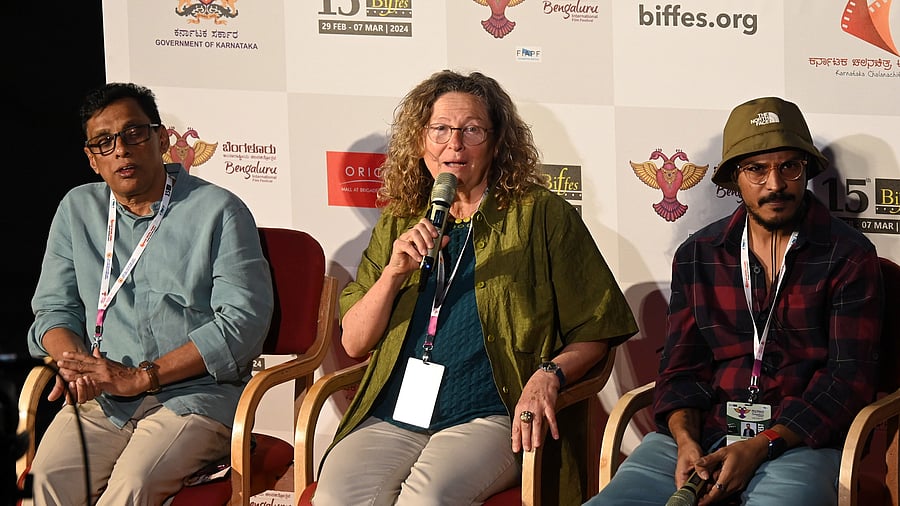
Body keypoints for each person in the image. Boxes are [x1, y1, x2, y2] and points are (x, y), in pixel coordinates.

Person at [311, 69, 638, 505]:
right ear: (420, 140)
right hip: (398, 411)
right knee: (335, 498)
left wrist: (549, 374)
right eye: (440, 130)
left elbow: (597, 328)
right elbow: (354, 341)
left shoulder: (541, 214)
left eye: (472, 130)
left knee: (428, 500)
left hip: (489, 413)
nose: (454, 145)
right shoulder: (400, 218)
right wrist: (393, 274)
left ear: (498, 142)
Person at [584, 97, 883, 506]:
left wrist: (761, 446)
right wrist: (686, 441)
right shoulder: (698, 255)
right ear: (733, 179)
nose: (775, 184)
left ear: (807, 170)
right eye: (757, 169)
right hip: (701, 438)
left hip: (800, 442)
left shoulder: (849, 257)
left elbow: (847, 383)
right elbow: (680, 368)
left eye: (788, 166)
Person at [25, 82, 274, 505]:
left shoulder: (219, 211)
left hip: (195, 396)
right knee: (45, 481)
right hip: (103, 396)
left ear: (160, 139)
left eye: (133, 133)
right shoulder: (77, 210)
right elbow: (53, 309)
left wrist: (144, 376)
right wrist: (76, 364)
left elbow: (242, 324)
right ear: (92, 159)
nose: (121, 149)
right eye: (104, 142)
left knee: (132, 485)